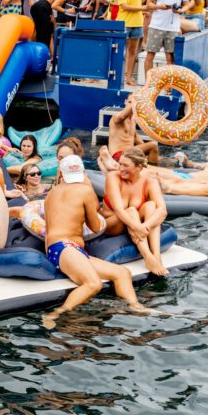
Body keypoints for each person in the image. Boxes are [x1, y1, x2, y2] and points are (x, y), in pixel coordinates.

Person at [42, 154, 149, 329]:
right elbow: (95, 226)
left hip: (59, 248)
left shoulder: (51, 193)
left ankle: (136, 307)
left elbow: (50, 226)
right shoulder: (85, 190)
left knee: (122, 273)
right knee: (93, 284)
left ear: (61, 173)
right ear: (83, 172)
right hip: (65, 248)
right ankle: (56, 314)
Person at [101, 148, 169, 276]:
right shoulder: (113, 177)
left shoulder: (149, 182)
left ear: (138, 167)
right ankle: (147, 256)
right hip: (113, 224)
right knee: (131, 210)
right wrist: (137, 227)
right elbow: (119, 209)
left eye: (125, 165)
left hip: (135, 225)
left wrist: (144, 226)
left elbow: (162, 210)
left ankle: (156, 256)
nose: (120, 168)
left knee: (151, 206)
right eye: (120, 163)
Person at [144, 0, 190, 76]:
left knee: (170, 57)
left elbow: (186, 5)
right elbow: (148, 5)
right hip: (156, 25)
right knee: (150, 55)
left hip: (173, 27)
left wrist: (180, 10)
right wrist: (160, 6)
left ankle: (170, 86)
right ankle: (149, 85)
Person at [116, 0, 148, 86]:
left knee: (133, 50)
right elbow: (124, 6)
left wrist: (148, 4)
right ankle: (119, 76)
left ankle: (128, 77)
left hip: (137, 22)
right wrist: (143, 7)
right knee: (119, 50)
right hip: (124, 22)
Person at [105, 97, 160, 164]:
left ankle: (151, 170)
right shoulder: (116, 117)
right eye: (130, 102)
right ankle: (151, 170)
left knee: (153, 148)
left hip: (130, 153)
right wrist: (136, 100)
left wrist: (147, 151)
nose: (132, 105)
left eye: (134, 103)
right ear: (125, 102)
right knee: (153, 145)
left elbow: (135, 136)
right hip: (118, 155)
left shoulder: (133, 119)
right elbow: (122, 116)